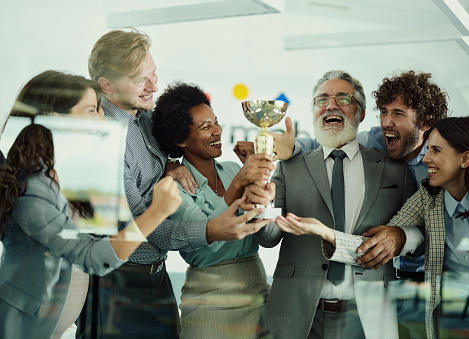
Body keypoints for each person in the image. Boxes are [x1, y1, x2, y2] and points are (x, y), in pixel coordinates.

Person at [88, 28, 268, 337]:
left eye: (154, 73)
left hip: (157, 279)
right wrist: (212, 229)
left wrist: (170, 164)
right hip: (120, 281)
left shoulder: (143, 118)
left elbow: (167, 146)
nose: (153, 85)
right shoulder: (102, 138)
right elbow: (148, 226)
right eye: (140, 79)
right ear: (107, 85)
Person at [285, 117, 469, 338]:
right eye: (428, 149)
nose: (426, 159)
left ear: (465, 159)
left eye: (436, 151)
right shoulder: (428, 199)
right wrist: (326, 232)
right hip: (447, 324)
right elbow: (378, 244)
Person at [0, 71, 183, 339]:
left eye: (99, 108)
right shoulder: (33, 189)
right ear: (56, 119)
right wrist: (156, 213)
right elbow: (93, 257)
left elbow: (109, 235)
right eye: (91, 110)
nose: (101, 118)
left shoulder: (71, 175)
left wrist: (168, 167)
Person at [248, 70, 420, 339]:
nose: (330, 105)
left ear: (361, 113)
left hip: (367, 318)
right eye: (321, 100)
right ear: (314, 111)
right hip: (299, 316)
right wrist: (258, 208)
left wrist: (401, 236)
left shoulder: (394, 170)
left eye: (342, 98)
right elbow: (269, 237)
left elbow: (419, 231)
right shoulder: (290, 167)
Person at [151, 81, 272, 338]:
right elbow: (212, 242)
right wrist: (240, 183)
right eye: (206, 127)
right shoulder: (173, 186)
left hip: (258, 292)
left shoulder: (231, 169)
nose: (217, 130)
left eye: (216, 122)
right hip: (209, 302)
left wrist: (259, 179)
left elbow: (264, 231)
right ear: (180, 139)